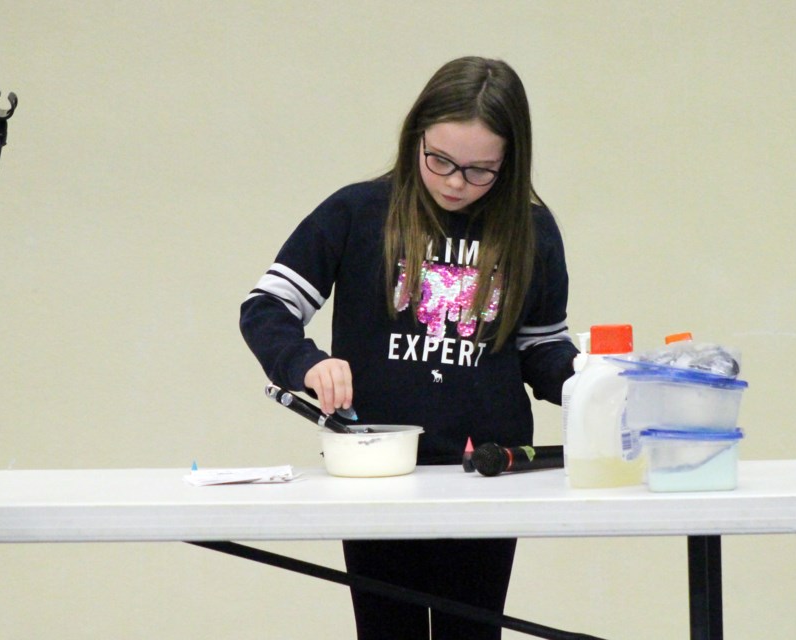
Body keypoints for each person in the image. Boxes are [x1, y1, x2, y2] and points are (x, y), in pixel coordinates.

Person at [240, 56, 579, 640]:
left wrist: (588, 381)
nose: (454, 182)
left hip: (487, 472)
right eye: (440, 160)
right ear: (415, 137)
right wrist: (307, 363)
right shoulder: (356, 213)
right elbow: (266, 308)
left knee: (470, 631)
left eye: (480, 171)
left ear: (511, 162)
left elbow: (540, 347)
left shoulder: (531, 231)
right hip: (378, 471)